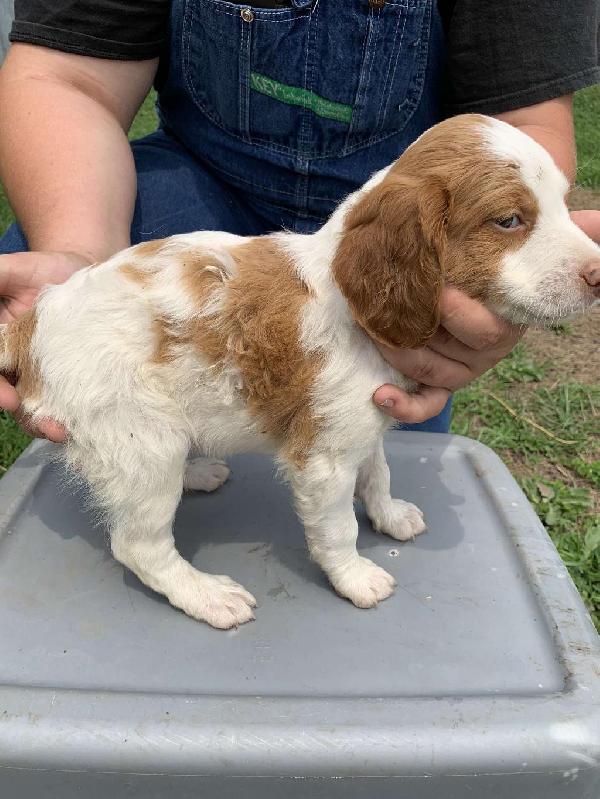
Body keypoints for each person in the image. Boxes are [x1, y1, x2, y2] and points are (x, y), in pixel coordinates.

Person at [0, 0, 599, 443]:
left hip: (398, 232)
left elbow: (523, 128)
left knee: (363, 433)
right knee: (109, 364)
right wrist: (81, 256)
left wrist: (492, 278)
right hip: (202, 185)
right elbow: (68, 77)